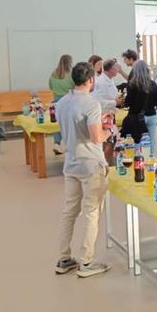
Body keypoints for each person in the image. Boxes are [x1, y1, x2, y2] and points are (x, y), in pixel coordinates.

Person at [54, 62, 117, 278]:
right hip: (91, 163)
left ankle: (63, 258)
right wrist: (111, 130)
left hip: (71, 161)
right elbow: (96, 137)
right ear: (90, 80)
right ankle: (86, 261)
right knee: (91, 211)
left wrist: (100, 124)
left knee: (69, 210)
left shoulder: (61, 103)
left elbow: (73, 127)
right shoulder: (91, 104)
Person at [49, 54, 74, 154]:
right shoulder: (71, 74)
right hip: (68, 102)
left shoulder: (53, 74)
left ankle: (56, 143)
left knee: (58, 124)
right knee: (69, 125)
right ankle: (69, 146)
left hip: (56, 102)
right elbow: (75, 87)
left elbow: (51, 87)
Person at [134, 61, 157, 156]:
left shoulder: (133, 84)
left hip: (138, 116)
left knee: (138, 140)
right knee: (152, 139)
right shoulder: (153, 84)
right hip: (152, 114)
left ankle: (139, 159)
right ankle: (152, 158)